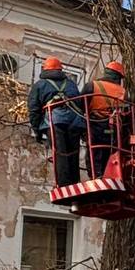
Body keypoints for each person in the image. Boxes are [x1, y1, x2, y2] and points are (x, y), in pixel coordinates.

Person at [26, 56, 84, 187]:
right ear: (60, 70)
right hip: (75, 122)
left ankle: (63, 184)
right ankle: (75, 183)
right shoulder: (71, 84)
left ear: (45, 69)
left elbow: (34, 109)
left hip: (55, 121)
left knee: (60, 152)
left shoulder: (40, 85)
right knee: (73, 152)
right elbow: (79, 103)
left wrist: (37, 131)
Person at [79, 60, 126, 177]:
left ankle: (95, 175)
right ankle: (106, 175)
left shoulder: (92, 86)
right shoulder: (124, 92)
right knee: (108, 151)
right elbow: (126, 112)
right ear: (118, 77)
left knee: (94, 150)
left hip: (95, 124)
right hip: (113, 127)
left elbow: (79, 106)